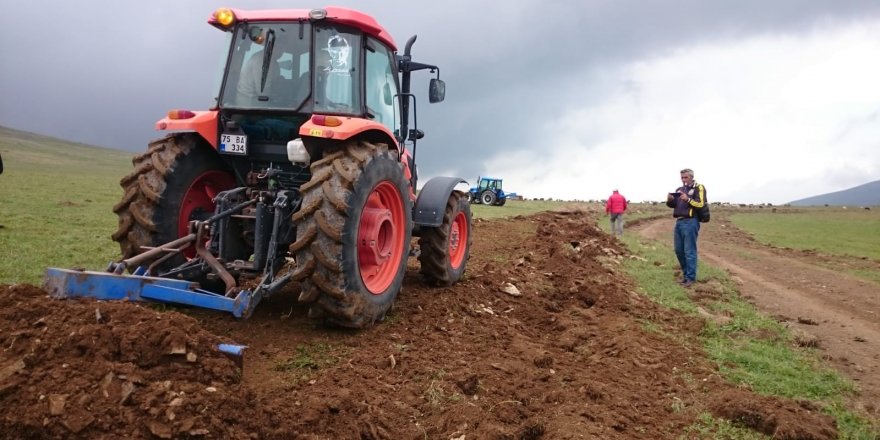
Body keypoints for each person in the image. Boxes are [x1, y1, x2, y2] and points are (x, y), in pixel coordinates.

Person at [666, 168, 705, 288]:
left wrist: (688, 199)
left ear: (691, 177)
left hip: (691, 222)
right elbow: (674, 205)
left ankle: (690, 278)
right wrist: (670, 200)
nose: (684, 180)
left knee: (689, 251)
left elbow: (701, 204)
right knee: (679, 250)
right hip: (679, 222)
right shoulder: (679, 189)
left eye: (686, 177)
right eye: (682, 177)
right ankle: (686, 275)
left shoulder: (699, 187)